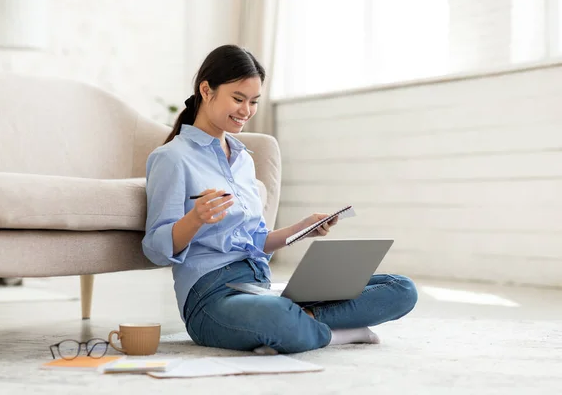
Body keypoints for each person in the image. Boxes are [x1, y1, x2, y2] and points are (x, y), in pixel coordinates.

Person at [142, 44, 417, 354]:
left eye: (254, 101)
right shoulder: (172, 158)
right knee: (277, 317)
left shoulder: (243, 160)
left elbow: (255, 241)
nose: (246, 111)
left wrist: (303, 229)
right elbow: (155, 249)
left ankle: (302, 324)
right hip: (210, 298)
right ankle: (338, 332)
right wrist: (195, 219)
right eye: (238, 98)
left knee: (401, 289)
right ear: (207, 90)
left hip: (260, 287)